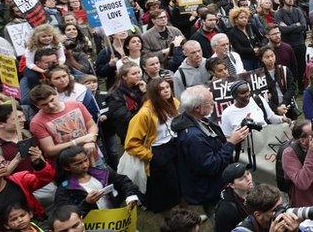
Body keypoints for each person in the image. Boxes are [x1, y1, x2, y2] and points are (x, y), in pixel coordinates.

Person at [172, 85, 249, 218]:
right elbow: (211, 165)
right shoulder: (193, 137)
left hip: (213, 185)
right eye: (209, 102)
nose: (213, 103)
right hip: (210, 190)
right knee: (222, 219)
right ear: (197, 108)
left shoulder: (197, 120)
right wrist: (231, 143)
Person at [123, 76, 182, 214]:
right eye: (161, 89)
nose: (166, 91)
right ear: (154, 92)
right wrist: (150, 156)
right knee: (165, 188)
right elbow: (131, 143)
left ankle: (183, 212)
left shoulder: (174, 102)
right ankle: (170, 217)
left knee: (179, 182)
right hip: (158, 151)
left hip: (174, 146)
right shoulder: (145, 113)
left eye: (167, 87)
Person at [52, 145, 141, 215]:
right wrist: (87, 203)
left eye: (85, 160)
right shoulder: (65, 190)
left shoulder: (102, 173)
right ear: (66, 167)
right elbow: (67, 215)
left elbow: (123, 181)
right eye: (78, 164)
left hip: (116, 216)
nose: (84, 165)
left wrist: (130, 196)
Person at [0, 147, 53, 230]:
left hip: (34, 224)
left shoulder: (19, 179)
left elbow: (45, 178)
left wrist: (38, 163)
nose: (2, 166)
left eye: (4, 162)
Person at [28, 84, 99, 160]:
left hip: (91, 155)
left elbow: (92, 125)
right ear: (37, 106)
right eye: (44, 104)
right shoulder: (37, 122)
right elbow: (50, 150)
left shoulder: (76, 105)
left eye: (52, 100)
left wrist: (90, 141)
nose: (51, 105)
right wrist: (77, 141)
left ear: (56, 93)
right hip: (68, 163)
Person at [219, 79, 284, 137]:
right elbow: (228, 138)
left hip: (267, 143)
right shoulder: (227, 114)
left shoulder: (258, 100)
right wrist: (242, 128)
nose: (247, 95)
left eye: (248, 91)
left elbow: (271, 118)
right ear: (234, 96)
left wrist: (282, 119)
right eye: (243, 93)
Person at [231, 183, 301, 232]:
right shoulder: (242, 230)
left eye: (282, 206)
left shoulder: (286, 224)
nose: (282, 212)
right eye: (276, 210)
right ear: (257, 214)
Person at [255, 46, 297, 120]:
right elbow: (262, 96)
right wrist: (276, 108)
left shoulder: (283, 70)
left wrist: (284, 103)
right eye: (267, 57)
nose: (271, 59)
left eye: (272, 55)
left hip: (287, 106)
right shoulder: (259, 76)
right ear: (262, 59)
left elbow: (292, 87)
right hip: (271, 110)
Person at [214, 163, 252, 232]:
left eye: (248, 173)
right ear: (231, 185)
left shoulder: (256, 188)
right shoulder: (226, 211)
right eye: (242, 178)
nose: (248, 179)